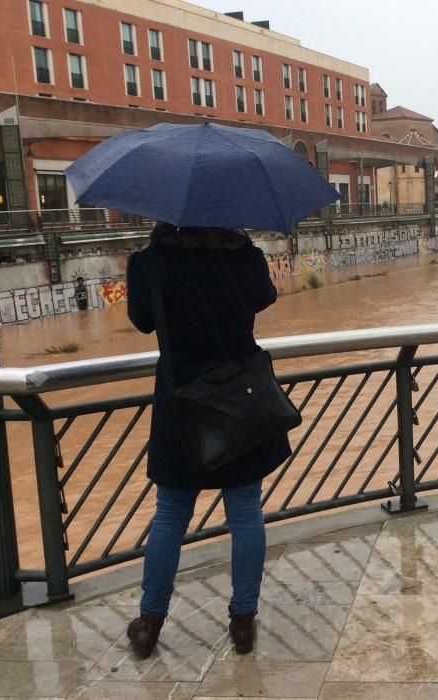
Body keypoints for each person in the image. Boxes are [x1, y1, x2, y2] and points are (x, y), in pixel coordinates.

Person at [125, 222, 290, 658]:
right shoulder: (243, 256)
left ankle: (149, 624)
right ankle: (243, 622)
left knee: (170, 516)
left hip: (181, 406)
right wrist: (244, 245)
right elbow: (265, 297)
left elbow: (141, 321)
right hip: (238, 402)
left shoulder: (149, 263)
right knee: (246, 513)